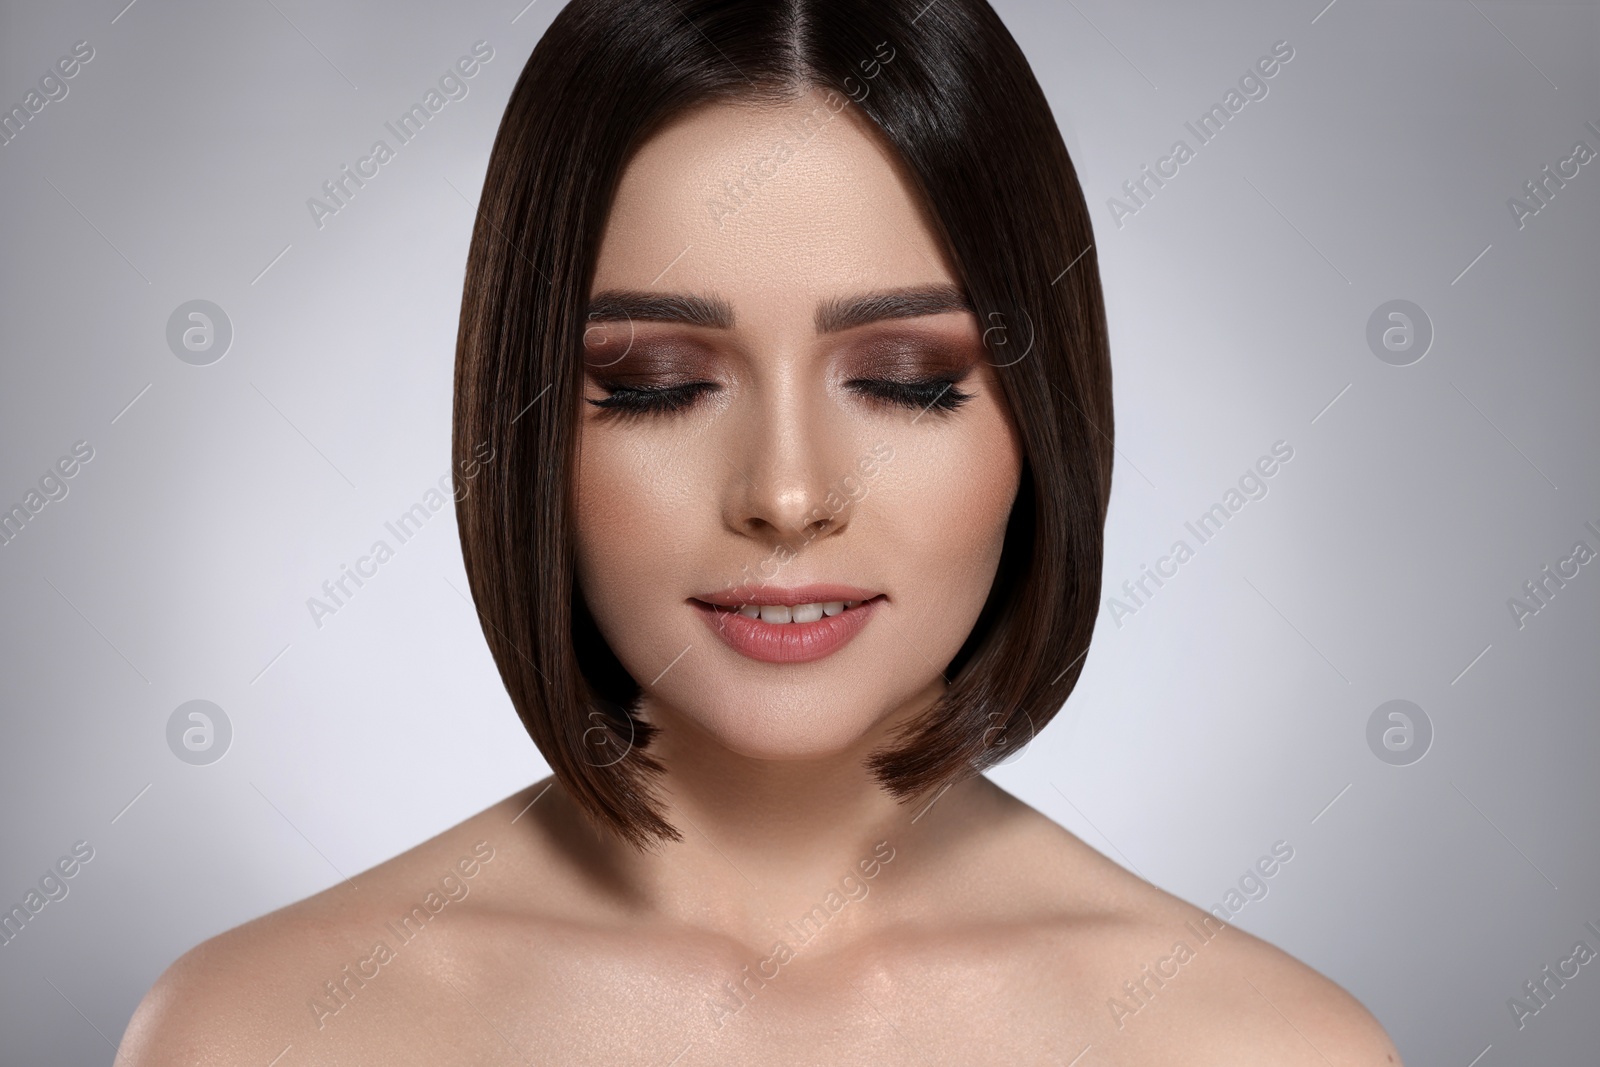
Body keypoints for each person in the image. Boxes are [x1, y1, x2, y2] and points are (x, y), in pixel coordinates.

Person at [121, 0, 1403, 1061]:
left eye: (904, 376)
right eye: (655, 383)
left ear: (1042, 415)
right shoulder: (257, 1031)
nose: (786, 495)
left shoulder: (1268, 1045)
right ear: (525, 426)